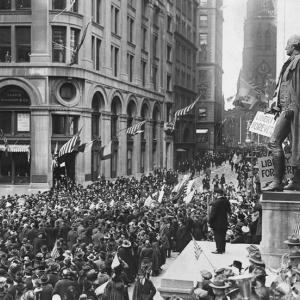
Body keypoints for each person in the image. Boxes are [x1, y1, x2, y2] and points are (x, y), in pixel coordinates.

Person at [264, 34, 300, 191]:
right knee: (294, 147)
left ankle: (278, 181)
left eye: (288, 45)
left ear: (294, 46)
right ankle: (295, 181)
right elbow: (284, 87)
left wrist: (292, 107)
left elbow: (297, 88)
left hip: (291, 110)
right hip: (286, 109)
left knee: (274, 142)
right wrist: (276, 105)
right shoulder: (290, 62)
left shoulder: (298, 62)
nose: (286, 48)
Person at [209, 186, 231, 254]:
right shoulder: (226, 201)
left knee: (218, 236)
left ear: (217, 194)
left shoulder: (215, 203)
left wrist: (210, 222)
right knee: (223, 236)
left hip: (217, 223)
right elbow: (229, 211)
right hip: (224, 222)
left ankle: (218, 250)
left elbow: (213, 214)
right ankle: (223, 249)